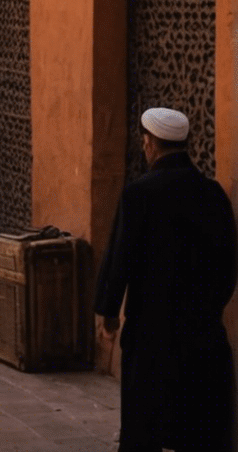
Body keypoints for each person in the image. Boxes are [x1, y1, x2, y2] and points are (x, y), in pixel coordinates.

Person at [96, 106, 237, 452]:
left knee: (144, 429)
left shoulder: (138, 195)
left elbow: (119, 260)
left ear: (150, 144)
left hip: (150, 335)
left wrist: (109, 314)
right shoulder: (213, 194)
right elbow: (229, 262)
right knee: (198, 426)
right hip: (202, 334)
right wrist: (209, 308)